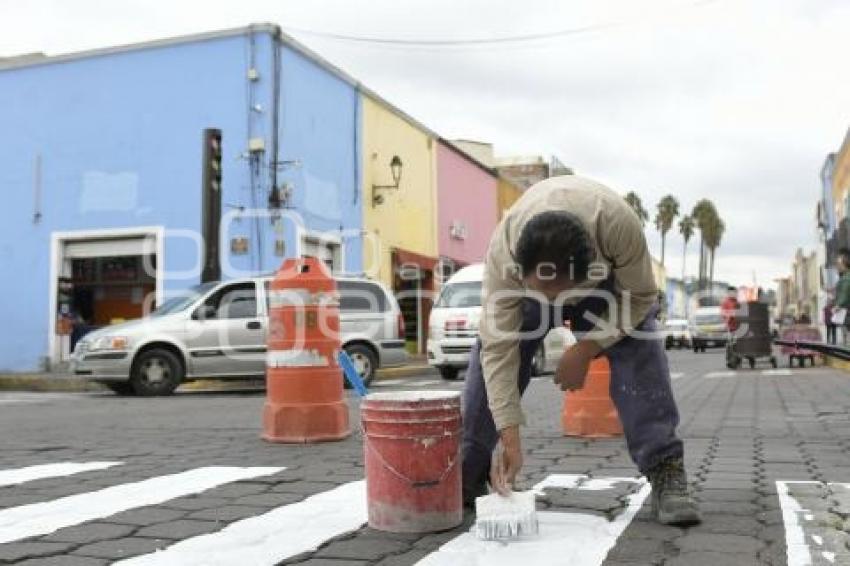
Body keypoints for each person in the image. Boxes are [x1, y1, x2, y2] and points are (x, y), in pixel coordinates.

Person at [463, 175, 701, 526]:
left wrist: (588, 347)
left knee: (640, 345)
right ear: (521, 270)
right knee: (490, 353)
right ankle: (468, 468)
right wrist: (509, 435)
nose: (552, 307)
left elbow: (640, 297)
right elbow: (498, 352)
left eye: (558, 296)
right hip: (536, 284)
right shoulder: (505, 254)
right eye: (542, 293)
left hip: (604, 294)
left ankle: (666, 470)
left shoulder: (617, 226)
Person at [835, 249, 850, 344]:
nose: (837, 266)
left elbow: (845, 293)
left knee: (846, 338)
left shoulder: (846, 278)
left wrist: (838, 305)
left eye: (838, 264)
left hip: (846, 312)